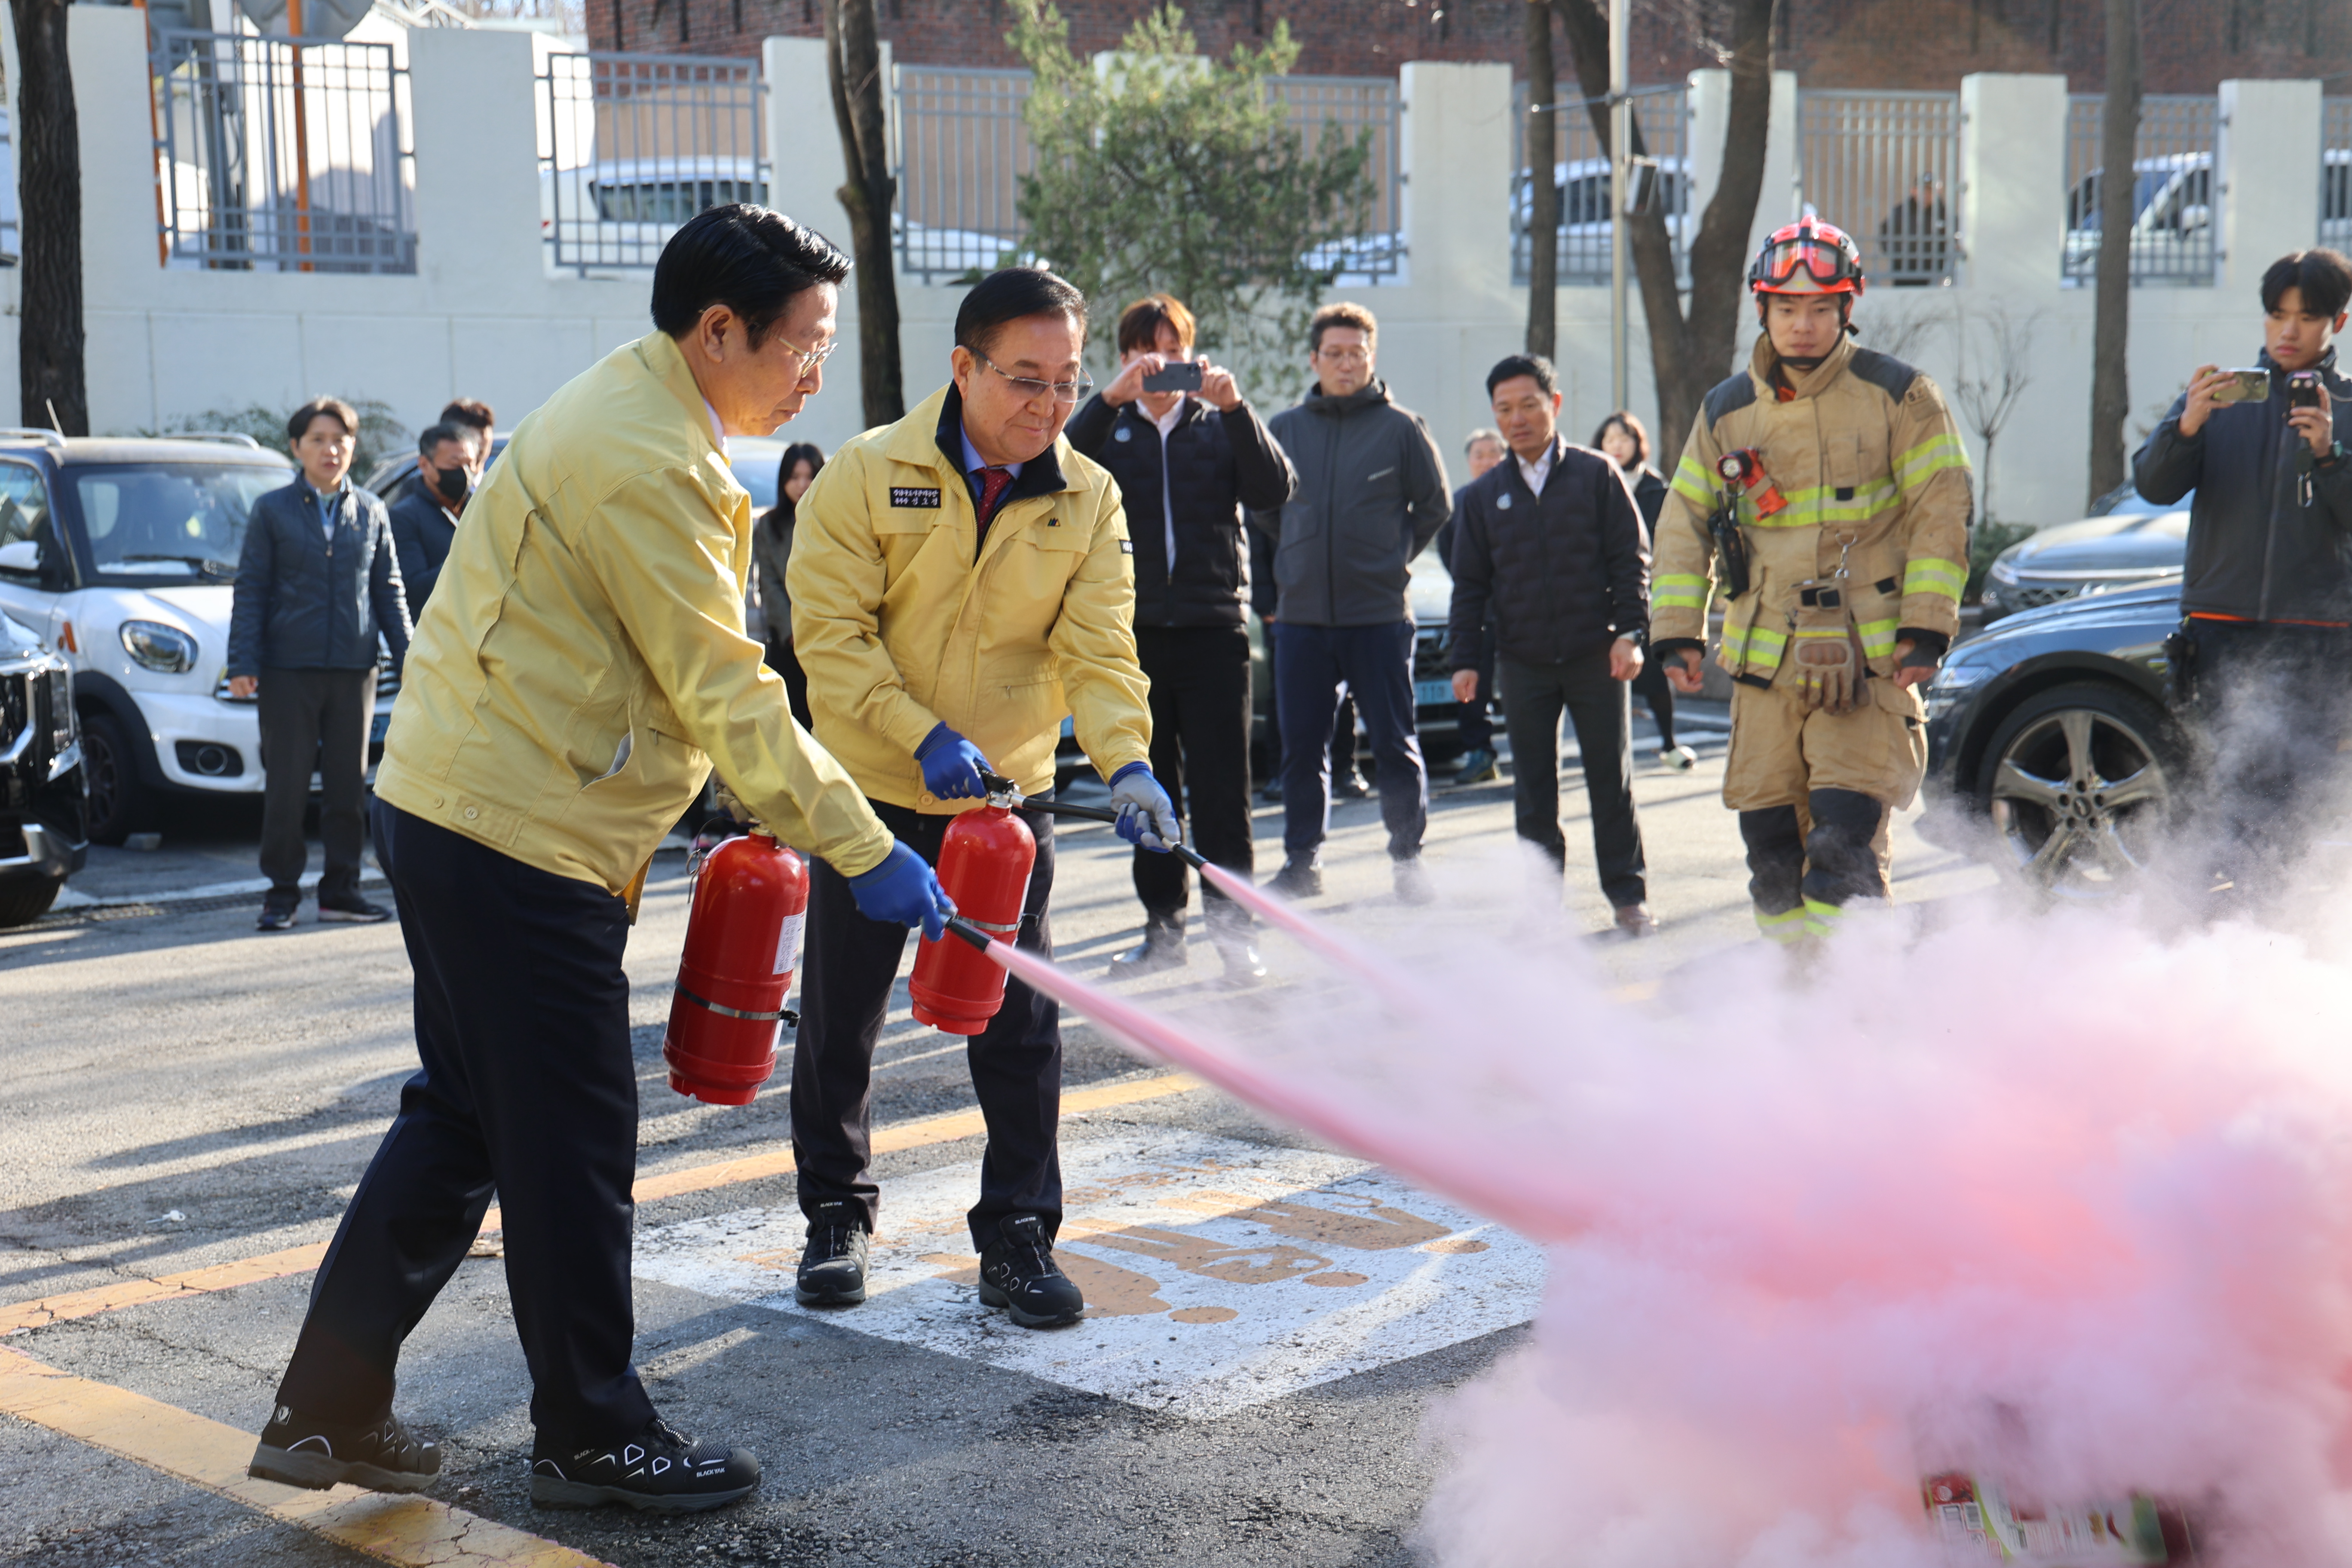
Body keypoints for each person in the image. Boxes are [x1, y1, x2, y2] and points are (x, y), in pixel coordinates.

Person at [246, 207, 954, 1514]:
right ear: (719, 329)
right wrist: (864, 846)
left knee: (464, 1115)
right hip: (517, 835)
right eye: (802, 343)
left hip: (467, 806)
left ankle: (326, 1408)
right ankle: (591, 1431)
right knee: (570, 1136)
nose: (815, 373)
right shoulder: (651, 460)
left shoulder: (647, 417)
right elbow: (726, 693)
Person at [787, 266, 1172, 1330]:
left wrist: (1127, 760)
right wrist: (920, 735)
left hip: (1003, 804)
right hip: (869, 790)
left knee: (1016, 1025)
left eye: (1065, 381)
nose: (1047, 404)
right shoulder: (866, 475)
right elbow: (828, 639)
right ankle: (834, 1212)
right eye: (1022, 380)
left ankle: (1016, 1232)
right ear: (961, 368)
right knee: (842, 1016)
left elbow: (1099, 652)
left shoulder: (1087, 496)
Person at [1649, 216, 1972, 945]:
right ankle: (1793, 1007)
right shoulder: (1726, 409)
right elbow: (1681, 523)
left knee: (1841, 846)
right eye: (1787, 308)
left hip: (1869, 656)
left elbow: (1941, 514)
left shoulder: (1901, 395)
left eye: (1821, 308)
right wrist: (1677, 632)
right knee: (1770, 854)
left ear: (1846, 308)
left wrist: (1924, 628)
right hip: (1765, 659)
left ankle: (1855, 1004)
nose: (1803, 325)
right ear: (1761, 308)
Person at [1066, 293, 1297, 983]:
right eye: (1143, 349)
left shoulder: (1215, 421)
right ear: (1126, 356)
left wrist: (1236, 409)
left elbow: (1274, 489)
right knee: (1148, 786)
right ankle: (1162, 929)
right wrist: (1106, 401)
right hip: (1131, 635)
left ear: (1193, 354)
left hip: (1215, 628)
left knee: (1225, 793)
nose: (1156, 363)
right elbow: (1053, 472)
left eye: (1170, 349)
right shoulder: (1110, 427)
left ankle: (1235, 936)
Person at [2135, 247, 2352, 905]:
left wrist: (2329, 453)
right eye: (2276, 315)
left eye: (2307, 317)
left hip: (2316, 637)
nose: (2288, 331)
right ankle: (2210, 945)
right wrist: (2188, 425)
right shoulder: (2221, 397)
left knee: (2297, 804)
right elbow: (2153, 485)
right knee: (2215, 792)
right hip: (2220, 632)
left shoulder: (2346, 406)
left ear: (2336, 325)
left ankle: (2276, 942)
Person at [1449, 358, 1655, 935]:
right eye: (1504, 410)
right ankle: (1540, 909)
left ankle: (1628, 897)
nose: (1517, 420)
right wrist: (1466, 661)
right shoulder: (1482, 497)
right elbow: (1471, 588)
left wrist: (1630, 635)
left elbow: (1632, 562)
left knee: (1609, 783)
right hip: (1524, 662)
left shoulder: (1597, 475)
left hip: (1597, 657)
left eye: (1528, 405)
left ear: (1555, 405)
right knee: (1533, 793)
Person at [1257, 301, 1451, 903]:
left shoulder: (1402, 429)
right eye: (1335, 354)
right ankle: (1301, 861)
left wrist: (1392, 557)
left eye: (1357, 353)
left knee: (1395, 743)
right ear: (1314, 359)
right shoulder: (1284, 430)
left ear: (1372, 358)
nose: (1346, 363)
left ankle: (1408, 860)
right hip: (1302, 621)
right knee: (1302, 750)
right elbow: (1261, 511)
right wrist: (1288, 571)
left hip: (1379, 618)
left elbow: (1435, 506)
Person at [227, 397, 413, 932]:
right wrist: (242, 661)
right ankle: (281, 893)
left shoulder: (372, 511)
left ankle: (341, 890)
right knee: (286, 788)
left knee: (347, 790)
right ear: (296, 447)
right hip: (288, 669)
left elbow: (389, 592)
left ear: (353, 446)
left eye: (340, 440)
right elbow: (252, 590)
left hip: (354, 670)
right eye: (318, 440)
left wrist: (415, 661)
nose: (331, 450)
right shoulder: (273, 511)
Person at [1595, 410, 1697, 771]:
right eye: (1609, 439)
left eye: (1624, 438)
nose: (1616, 446)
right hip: (1601, 597)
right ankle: (1607, 754)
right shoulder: (1594, 483)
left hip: (1645, 595)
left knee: (1653, 676)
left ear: (1639, 444)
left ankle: (1669, 743)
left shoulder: (1658, 488)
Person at [1437, 427, 1507, 784]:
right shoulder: (1459, 503)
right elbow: (1451, 555)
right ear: (1468, 462)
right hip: (1478, 611)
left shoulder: (1518, 495)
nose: (1486, 461)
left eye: (1493, 454)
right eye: (1479, 455)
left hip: (1517, 611)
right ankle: (1480, 754)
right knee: (1473, 684)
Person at [751, 441, 822, 729]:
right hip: (789, 642)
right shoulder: (769, 526)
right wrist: (793, 630)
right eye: (795, 477)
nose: (802, 485)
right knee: (794, 722)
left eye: (809, 476)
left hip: (828, 634)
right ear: (784, 481)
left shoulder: (831, 520)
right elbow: (769, 584)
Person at [386, 421, 479, 616]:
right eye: (455, 465)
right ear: (425, 465)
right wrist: (467, 560)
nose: (465, 473)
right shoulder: (405, 517)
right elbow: (412, 589)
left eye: (470, 464)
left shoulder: (483, 507)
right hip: (440, 635)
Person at [440, 398, 496, 474]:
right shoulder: (427, 484)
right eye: (467, 435)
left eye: (482, 433)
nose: (478, 440)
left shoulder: (502, 484)